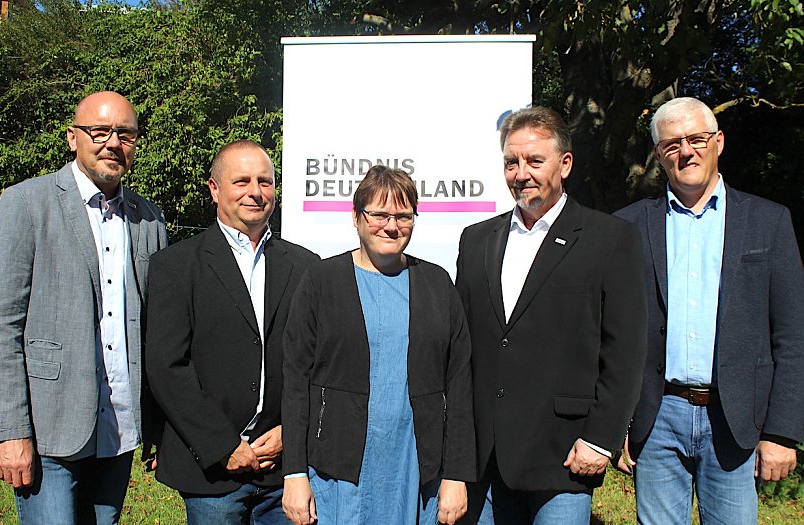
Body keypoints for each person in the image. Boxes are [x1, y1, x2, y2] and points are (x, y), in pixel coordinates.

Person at [0, 91, 168, 524]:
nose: (112, 143)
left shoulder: (149, 219)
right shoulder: (26, 204)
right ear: (72, 138)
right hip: (48, 428)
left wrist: (157, 422)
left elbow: (156, 330)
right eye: (99, 132)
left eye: (125, 133)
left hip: (119, 427)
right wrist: (11, 432)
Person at [613, 97, 804, 524]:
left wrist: (780, 432)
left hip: (735, 418)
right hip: (656, 414)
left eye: (697, 139)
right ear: (660, 156)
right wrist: (619, 420)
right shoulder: (627, 226)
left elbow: (793, 336)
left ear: (719, 141)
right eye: (671, 144)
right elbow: (614, 333)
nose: (686, 151)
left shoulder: (768, 222)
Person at [455, 106, 648, 524]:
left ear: (565, 164)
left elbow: (627, 350)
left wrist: (601, 439)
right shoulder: (475, 240)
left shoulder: (610, 239)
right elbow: (465, 345)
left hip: (561, 451)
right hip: (483, 455)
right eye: (511, 162)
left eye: (534, 161)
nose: (521, 173)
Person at [280, 165, 476, 525]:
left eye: (403, 216)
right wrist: (293, 473)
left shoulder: (436, 283)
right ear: (356, 217)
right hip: (338, 470)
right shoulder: (321, 281)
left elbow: (459, 384)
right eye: (380, 214)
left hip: (416, 466)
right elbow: (295, 382)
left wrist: (456, 474)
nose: (392, 226)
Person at [145, 140, 318, 524]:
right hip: (213, 473)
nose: (255, 192)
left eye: (265, 181)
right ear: (214, 189)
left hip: (283, 470)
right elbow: (166, 367)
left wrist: (291, 431)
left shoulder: (306, 266)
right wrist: (222, 446)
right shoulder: (175, 266)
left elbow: (316, 363)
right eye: (241, 181)